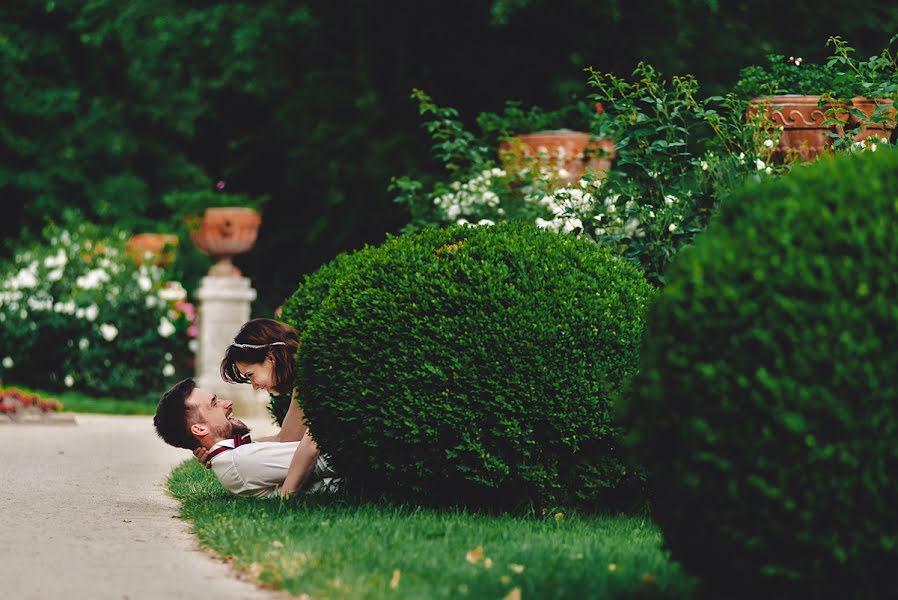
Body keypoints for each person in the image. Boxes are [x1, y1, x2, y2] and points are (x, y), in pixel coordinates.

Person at [153, 377, 338, 498]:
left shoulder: (234, 455)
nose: (228, 403)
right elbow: (324, 457)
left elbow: (285, 440)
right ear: (200, 429)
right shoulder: (240, 460)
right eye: (214, 403)